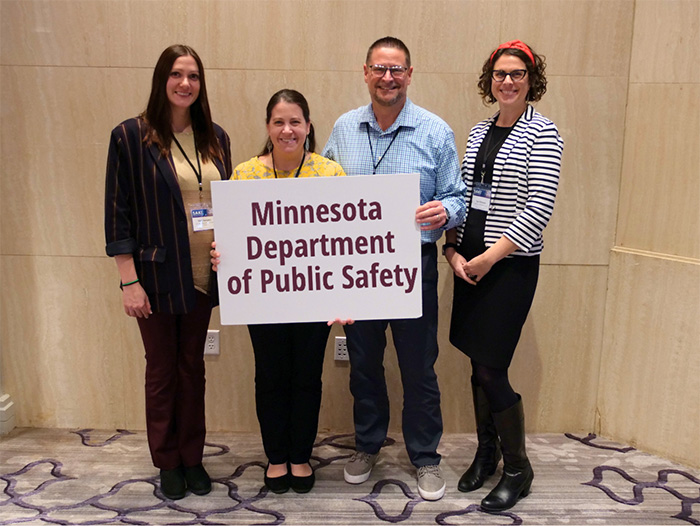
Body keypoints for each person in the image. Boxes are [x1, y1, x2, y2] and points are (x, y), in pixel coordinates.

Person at [322, 36, 466, 501]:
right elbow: (319, 190)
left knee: (418, 366)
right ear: (365, 72)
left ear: (409, 73)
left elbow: (458, 197)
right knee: (363, 363)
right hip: (357, 268)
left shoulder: (434, 130)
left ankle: (425, 456)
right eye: (380, 69)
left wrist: (443, 211)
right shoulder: (343, 129)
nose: (388, 77)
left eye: (397, 69)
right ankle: (367, 444)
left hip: (413, 265)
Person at [104, 45, 232, 500]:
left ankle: (192, 456)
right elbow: (118, 216)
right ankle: (167, 460)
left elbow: (229, 207)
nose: (185, 84)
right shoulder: (130, 137)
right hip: (155, 278)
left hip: (203, 276)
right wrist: (128, 280)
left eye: (193, 76)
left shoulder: (215, 137)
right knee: (161, 370)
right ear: (162, 80)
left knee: (192, 368)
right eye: (176, 75)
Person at [443, 40, 563, 512]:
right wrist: (453, 250)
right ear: (489, 80)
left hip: (507, 266)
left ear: (531, 80)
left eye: (516, 74)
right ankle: (486, 453)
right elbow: (463, 194)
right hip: (468, 263)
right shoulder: (477, 132)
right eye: (499, 74)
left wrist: (489, 258)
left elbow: (538, 211)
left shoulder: (544, 133)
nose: (507, 81)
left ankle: (517, 467)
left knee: (492, 367)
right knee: (476, 362)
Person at [211, 89, 345, 494]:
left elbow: (344, 239)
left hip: (314, 296)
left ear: (308, 127)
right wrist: (223, 253)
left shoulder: (329, 172)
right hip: (262, 297)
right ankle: (277, 456)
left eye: (295, 122)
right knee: (270, 375)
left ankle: (300, 455)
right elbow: (232, 233)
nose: (287, 130)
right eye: (278, 122)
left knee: (306, 375)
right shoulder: (245, 173)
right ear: (268, 128)